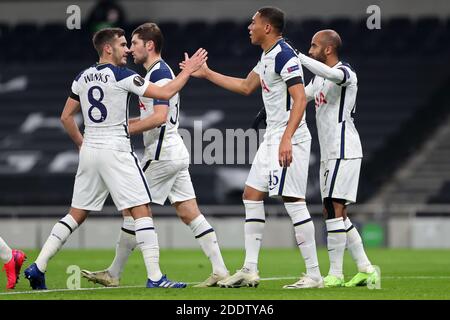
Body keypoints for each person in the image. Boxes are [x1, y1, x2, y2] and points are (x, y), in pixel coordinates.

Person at [23, 27, 207, 290]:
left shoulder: (82, 77)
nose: (127, 50)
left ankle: (38, 266)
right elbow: (165, 94)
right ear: (108, 48)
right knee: (141, 209)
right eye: (122, 45)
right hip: (116, 149)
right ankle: (156, 277)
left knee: (75, 213)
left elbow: (65, 117)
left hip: (90, 151)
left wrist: (80, 143)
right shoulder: (123, 76)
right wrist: (188, 71)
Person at [181, 7, 323, 289]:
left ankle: (314, 274)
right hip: (273, 136)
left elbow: (299, 100)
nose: (249, 26)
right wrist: (207, 73)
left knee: (293, 200)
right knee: (251, 194)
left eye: (254, 22)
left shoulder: (284, 55)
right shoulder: (268, 55)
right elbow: (247, 87)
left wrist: (286, 138)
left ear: (267, 27)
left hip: (289, 137)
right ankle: (249, 269)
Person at [81, 23, 229, 288]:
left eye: (134, 43)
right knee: (189, 212)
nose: (130, 49)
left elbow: (159, 118)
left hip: (161, 153)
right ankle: (220, 270)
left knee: (133, 209)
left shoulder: (159, 74)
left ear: (149, 45)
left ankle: (117, 273)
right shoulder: (156, 72)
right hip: (174, 151)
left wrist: (123, 128)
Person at [298, 29, 378, 287]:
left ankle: (335, 273)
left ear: (328, 49)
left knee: (334, 208)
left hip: (344, 150)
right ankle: (366, 268)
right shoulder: (318, 80)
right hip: (329, 153)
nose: (311, 50)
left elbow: (332, 74)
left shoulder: (345, 73)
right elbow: (301, 97)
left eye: (313, 46)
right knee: (334, 211)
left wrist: (297, 56)